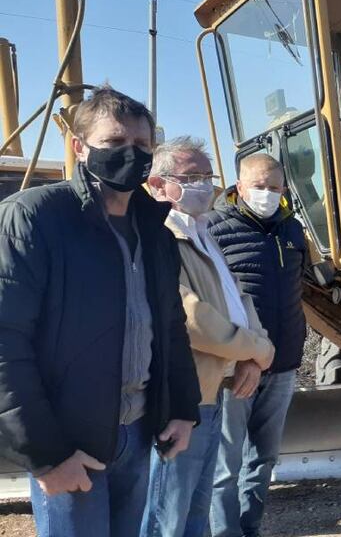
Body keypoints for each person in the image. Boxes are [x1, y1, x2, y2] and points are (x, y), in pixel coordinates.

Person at [0, 87, 200, 537]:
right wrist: (48, 455)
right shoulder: (33, 219)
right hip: (72, 442)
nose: (131, 155)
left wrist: (183, 408)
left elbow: (170, 326)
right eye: (114, 144)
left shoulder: (154, 232)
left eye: (143, 146)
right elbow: (5, 341)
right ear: (79, 146)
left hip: (138, 432)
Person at [142, 137, 276, 537]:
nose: (203, 184)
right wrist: (258, 349)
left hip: (211, 391)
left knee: (196, 513)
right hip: (180, 399)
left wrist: (256, 352)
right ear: (157, 184)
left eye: (207, 175)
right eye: (191, 176)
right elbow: (192, 319)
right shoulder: (159, 238)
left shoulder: (203, 234)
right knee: (168, 516)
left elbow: (238, 297)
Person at [206, 153, 307, 537]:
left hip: (283, 362)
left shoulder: (292, 229)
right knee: (225, 464)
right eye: (259, 187)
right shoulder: (213, 229)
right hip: (234, 367)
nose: (267, 194)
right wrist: (237, 354)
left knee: (264, 458)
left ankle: (250, 528)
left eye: (274, 188)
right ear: (240, 186)